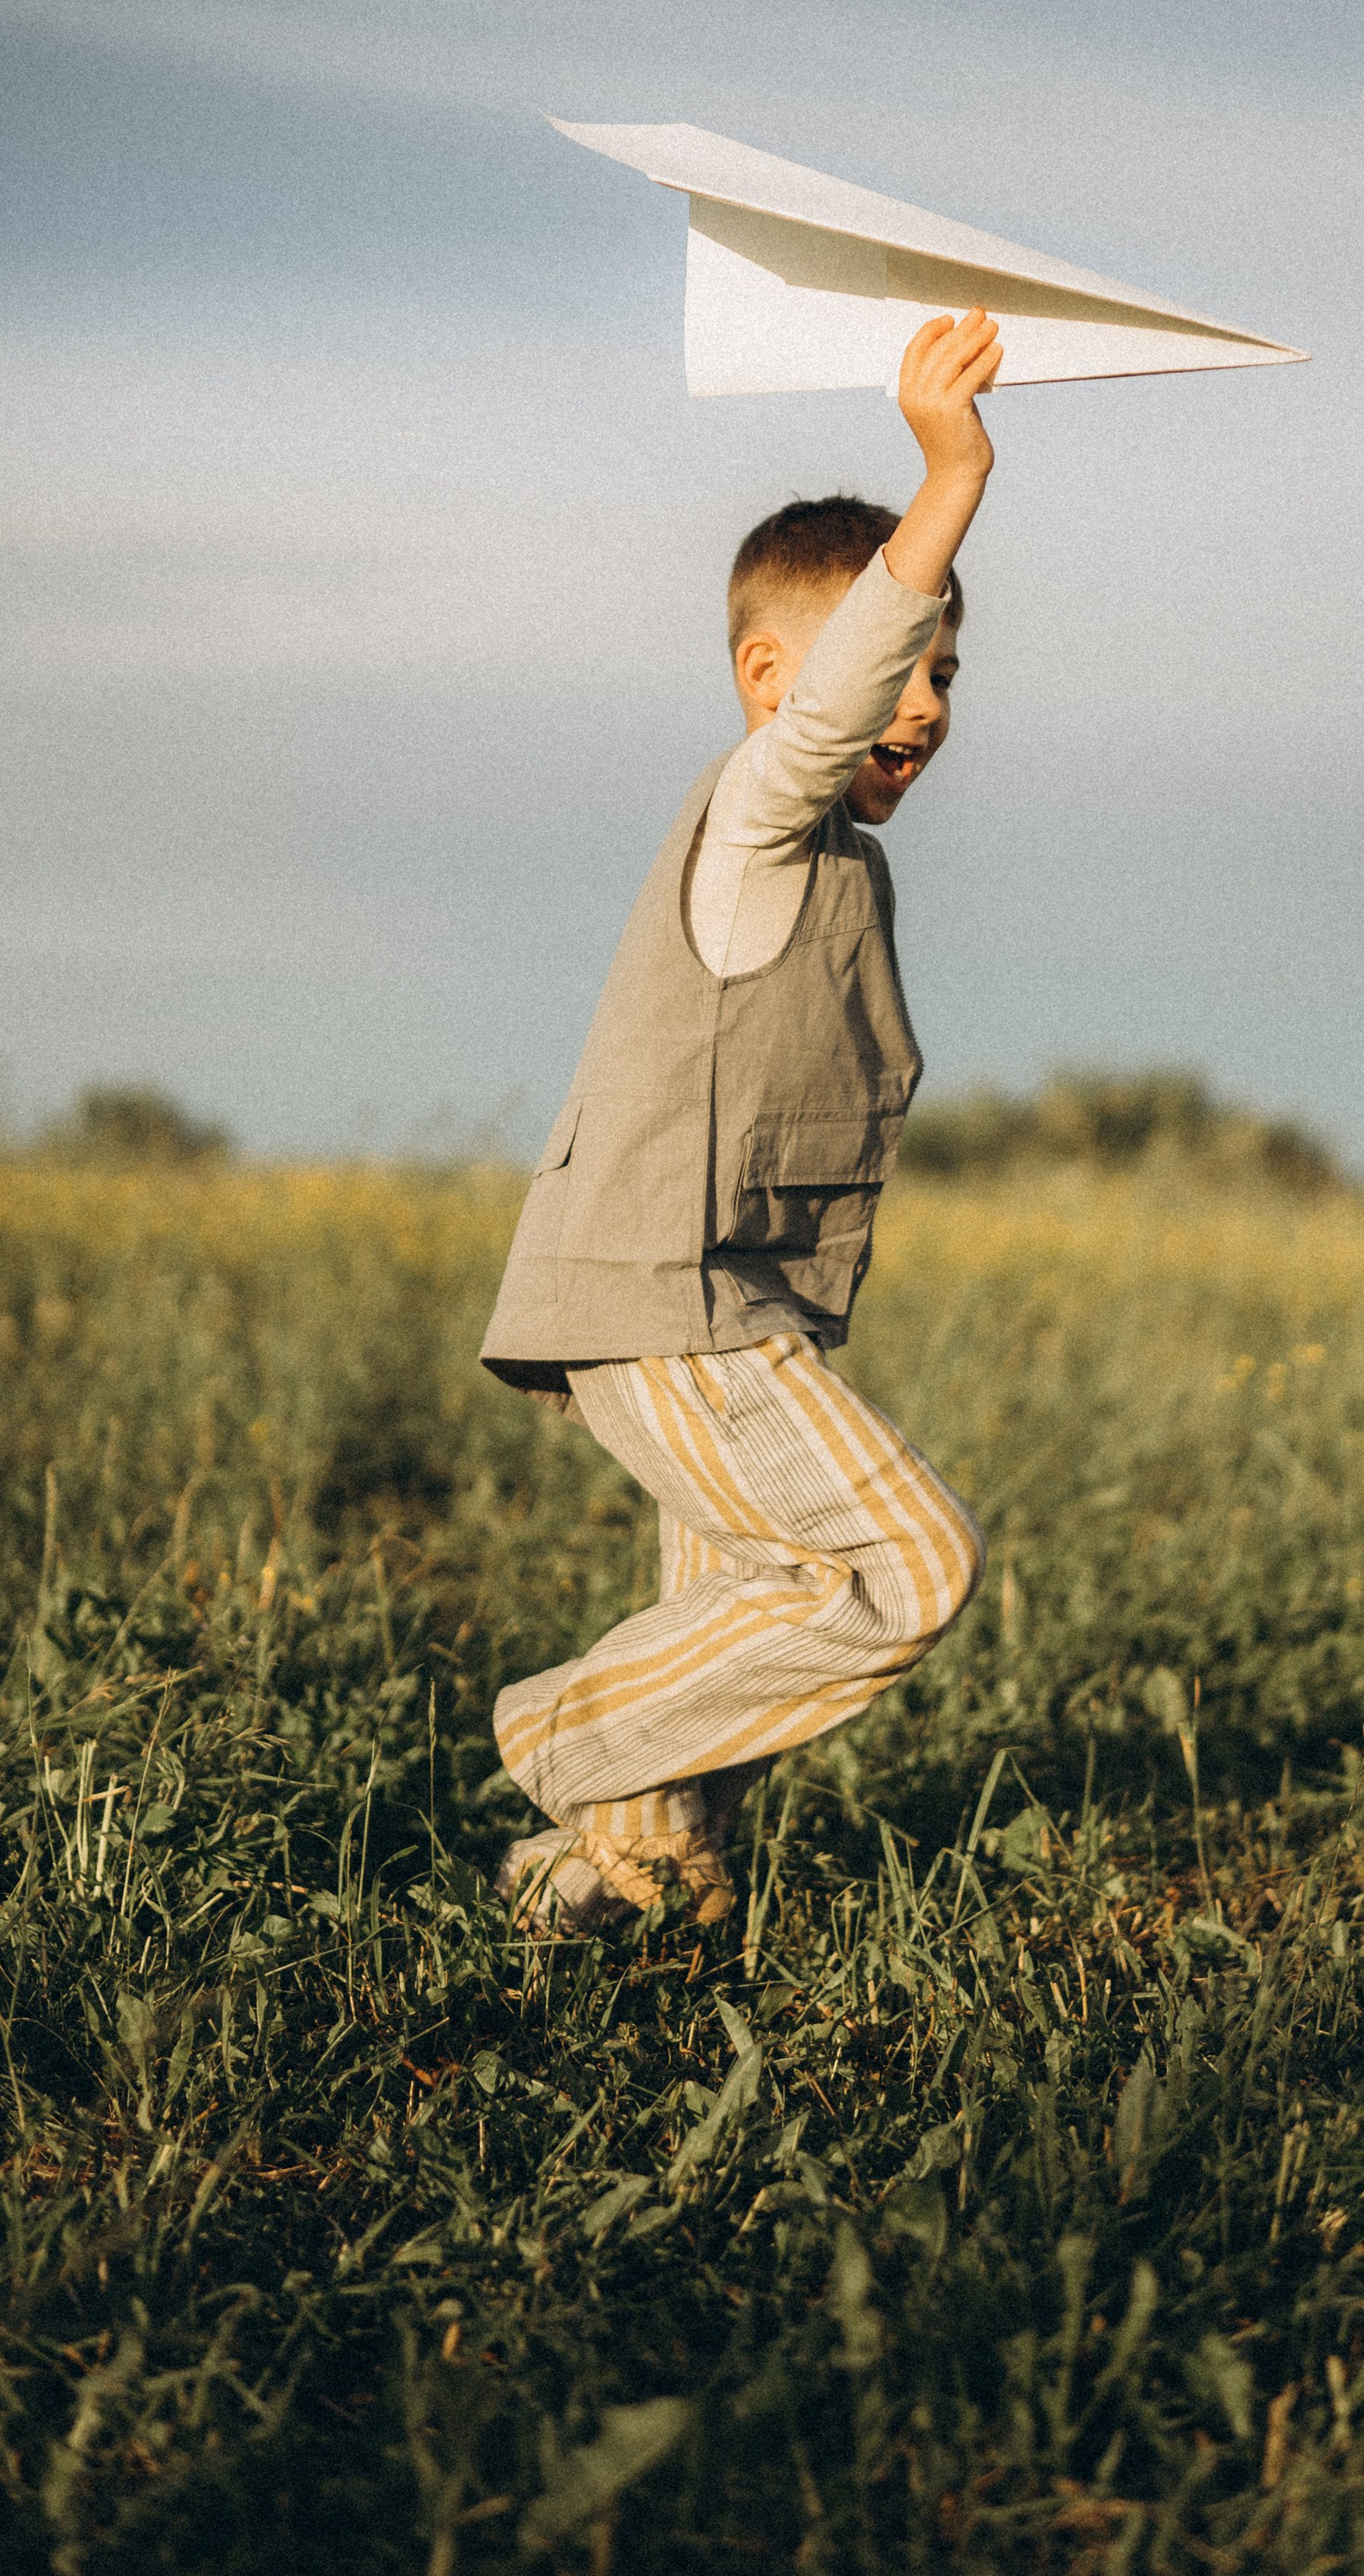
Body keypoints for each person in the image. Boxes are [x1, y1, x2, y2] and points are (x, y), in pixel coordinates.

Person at [479, 305, 1005, 1929]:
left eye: (947, 675)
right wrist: (949, 473)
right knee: (909, 1566)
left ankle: (618, 1873)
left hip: (734, 1304)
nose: (919, 705)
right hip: (670, 1302)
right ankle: (564, 1738)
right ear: (779, 683)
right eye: (900, 667)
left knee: (745, 1594)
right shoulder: (759, 824)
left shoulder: (844, 868)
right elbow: (824, 718)